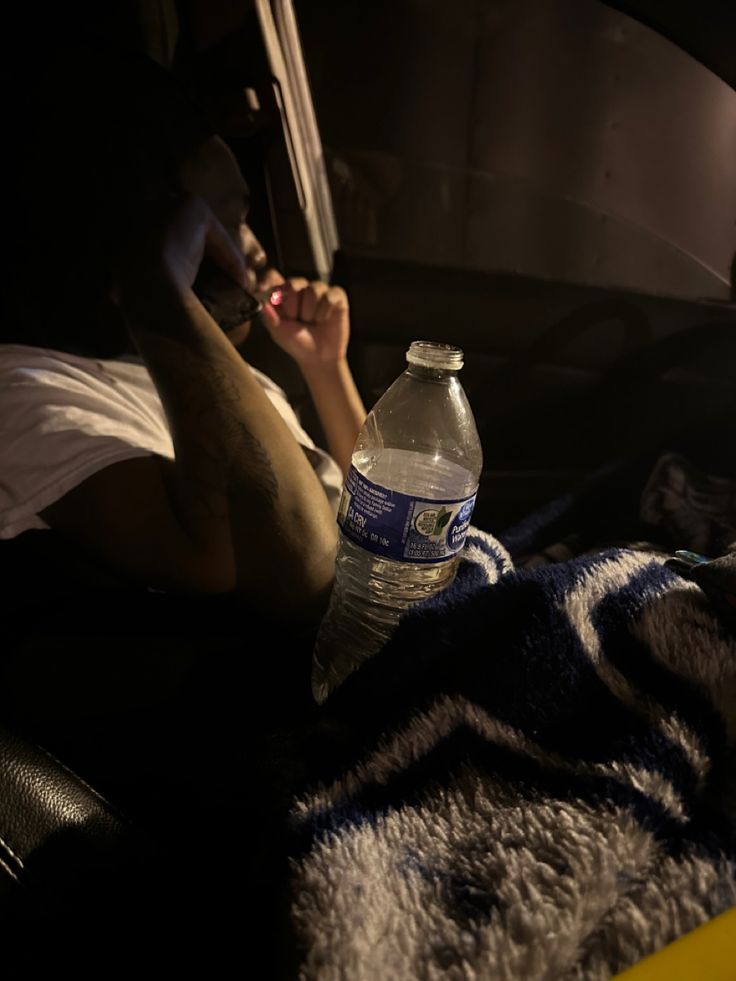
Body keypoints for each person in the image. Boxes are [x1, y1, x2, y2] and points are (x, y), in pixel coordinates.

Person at [0, 42, 366, 624]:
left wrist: (325, 370)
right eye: (230, 220)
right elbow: (296, 569)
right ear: (149, 240)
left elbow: (376, 519)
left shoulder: (232, 382)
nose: (256, 249)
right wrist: (156, 292)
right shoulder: (25, 393)